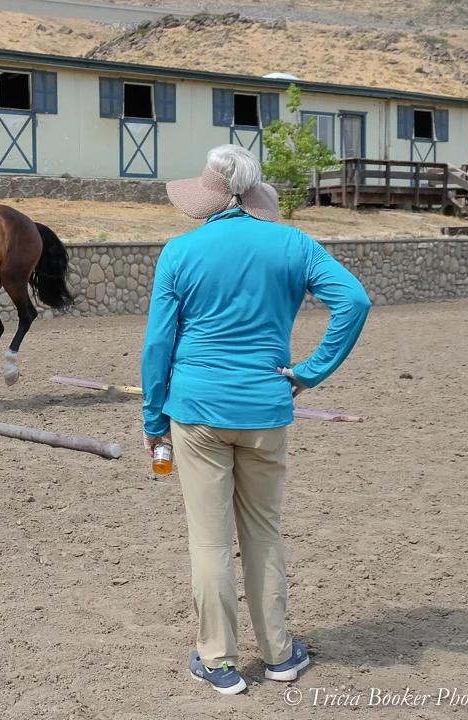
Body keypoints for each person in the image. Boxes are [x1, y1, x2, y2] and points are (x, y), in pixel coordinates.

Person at [140, 144, 371, 695]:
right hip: (267, 408)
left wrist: (154, 417)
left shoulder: (179, 252)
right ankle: (279, 654)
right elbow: (354, 301)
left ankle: (218, 660)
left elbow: (157, 345)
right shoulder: (294, 243)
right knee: (264, 535)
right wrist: (310, 373)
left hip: (196, 413)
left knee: (210, 541)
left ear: (212, 196)